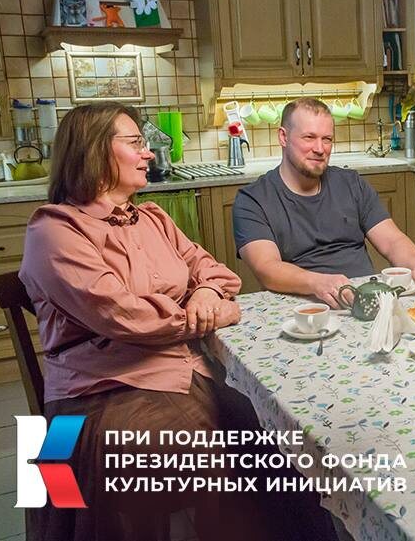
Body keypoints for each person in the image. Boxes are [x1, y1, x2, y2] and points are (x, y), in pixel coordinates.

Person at [19, 103, 336, 541]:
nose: (149, 153)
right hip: (101, 391)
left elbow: (215, 271)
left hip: (184, 369)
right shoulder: (54, 231)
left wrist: (206, 294)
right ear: (94, 150)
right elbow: (127, 317)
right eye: (135, 143)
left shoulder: (153, 218)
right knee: (221, 463)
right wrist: (210, 313)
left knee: (284, 435)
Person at [233, 97, 415, 306]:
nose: (320, 148)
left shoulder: (351, 183)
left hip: (363, 300)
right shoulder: (253, 200)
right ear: (283, 137)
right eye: (309, 137)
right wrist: (318, 283)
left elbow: (393, 241)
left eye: (327, 139)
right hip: (302, 308)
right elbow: (267, 268)